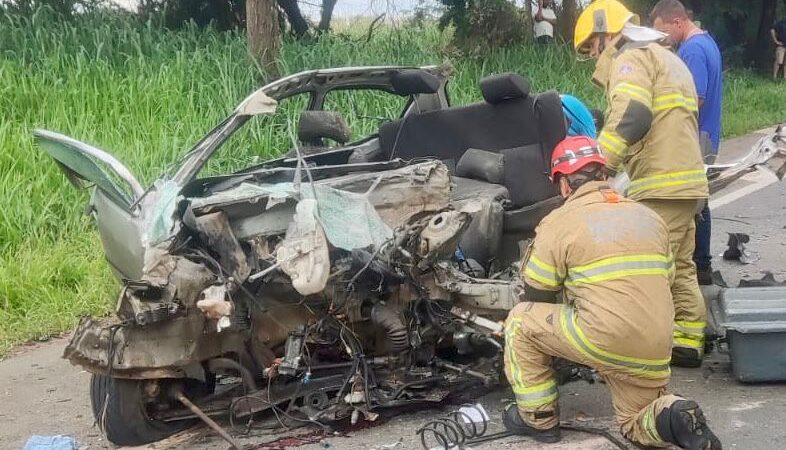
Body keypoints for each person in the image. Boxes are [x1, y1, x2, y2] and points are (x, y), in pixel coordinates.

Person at [503, 136, 721, 450]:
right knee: (636, 421)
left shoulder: (559, 221)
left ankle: (538, 418)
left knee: (520, 323)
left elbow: (537, 291)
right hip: (657, 343)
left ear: (564, 184)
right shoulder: (650, 217)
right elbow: (668, 279)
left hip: (605, 337)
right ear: (604, 175)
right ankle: (672, 416)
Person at [573, 0, 709, 368]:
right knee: (680, 264)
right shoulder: (667, 56)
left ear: (606, 34)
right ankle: (688, 338)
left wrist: (597, 167)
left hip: (661, 182)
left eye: (591, 48)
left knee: (649, 268)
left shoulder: (630, 59)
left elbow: (632, 116)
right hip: (686, 181)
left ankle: (644, 348)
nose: (593, 56)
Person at [650, 0, 723, 286]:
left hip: (695, 137)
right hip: (708, 133)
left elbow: (694, 97)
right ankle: (700, 263)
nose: (662, 38)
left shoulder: (691, 49)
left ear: (677, 22)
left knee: (695, 202)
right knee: (699, 199)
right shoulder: (707, 42)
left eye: (662, 30)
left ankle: (699, 264)